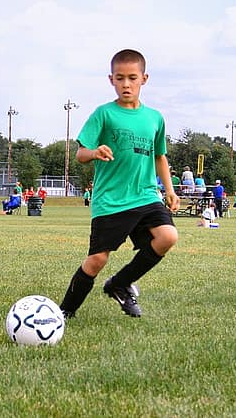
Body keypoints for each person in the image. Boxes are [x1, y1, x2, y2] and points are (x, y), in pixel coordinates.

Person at [58, 49, 179, 320]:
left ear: (144, 79)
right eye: (120, 78)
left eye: (132, 78)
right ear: (111, 79)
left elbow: (160, 156)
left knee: (168, 236)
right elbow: (80, 154)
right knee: (98, 260)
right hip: (111, 200)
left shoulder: (155, 118)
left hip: (146, 195)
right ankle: (65, 311)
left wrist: (169, 190)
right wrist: (94, 152)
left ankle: (120, 284)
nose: (126, 84)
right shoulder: (104, 114)